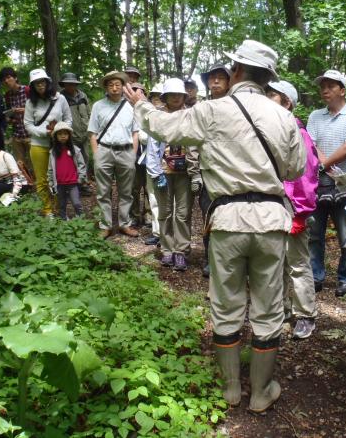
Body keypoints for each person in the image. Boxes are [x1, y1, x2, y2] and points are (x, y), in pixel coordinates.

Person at [123, 39, 306, 413]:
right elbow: (294, 170)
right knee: (269, 306)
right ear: (268, 78)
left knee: (226, 302)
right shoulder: (284, 116)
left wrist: (140, 104)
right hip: (271, 221)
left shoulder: (211, 111)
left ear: (235, 71)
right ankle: (261, 390)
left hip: (226, 220)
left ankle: (231, 389)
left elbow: (165, 128)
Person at [265, 80, 318, 340]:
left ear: (287, 102)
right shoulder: (271, 131)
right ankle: (282, 309)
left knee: (297, 263)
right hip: (273, 205)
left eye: (272, 95)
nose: (266, 99)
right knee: (277, 260)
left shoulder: (299, 134)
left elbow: (306, 177)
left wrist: (301, 212)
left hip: (293, 206)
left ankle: (305, 314)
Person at [306, 69, 346, 296]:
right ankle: (315, 276)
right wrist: (325, 167)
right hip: (318, 184)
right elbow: (310, 144)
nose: (325, 90)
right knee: (315, 234)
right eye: (323, 86)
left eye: (330, 86)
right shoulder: (315, 116)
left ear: (342, 90)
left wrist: (324, 164)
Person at [145, 78, 196, 271]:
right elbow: (151, 146)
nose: (176, 97)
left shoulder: (191, 115)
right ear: (165, 97)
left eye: (179, 94)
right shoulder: (157, 117)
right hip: (163, 171)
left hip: (185, 172)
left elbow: (196, 142)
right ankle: (167, 250)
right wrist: (155, 173)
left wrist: (196, 172)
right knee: (165, 212)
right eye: (172, 94)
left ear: (184, 96)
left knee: (183, 214)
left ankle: (181, 251)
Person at [88, 71, 139, 238]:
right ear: (106, 87)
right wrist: (96, 154)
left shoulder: (131, 106)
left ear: (123, 86)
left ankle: (125, 224)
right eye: (111, 85)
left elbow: (135, 132)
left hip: (126, 151)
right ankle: (106, 225)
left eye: (118, 84)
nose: (115, 88)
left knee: (126, 191)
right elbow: (93, 133)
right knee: (103, 191)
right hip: (104, 150)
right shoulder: (98, 106)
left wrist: (133, 153)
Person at [195, 63, 232, 277]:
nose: (216, 81)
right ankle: (210, 259)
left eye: (221, 77)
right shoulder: (201, 108)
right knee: (208, 216)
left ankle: (229, 263)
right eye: (212, 78)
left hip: (232, 174)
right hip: (208, 173)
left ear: (229, 82)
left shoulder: (236, 106)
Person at [23, 68, 72, 217]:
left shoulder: (60, 99)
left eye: (42, 82)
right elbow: (28, 124)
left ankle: (60, 208)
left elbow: (68, 119)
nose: (40, 85)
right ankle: (47, 209)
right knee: (42, 179)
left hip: (58, 145)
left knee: (60, 177)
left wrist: (60, 131)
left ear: (48, 82)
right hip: (39, 145)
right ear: (32, 86)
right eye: (37, 83)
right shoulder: (30, 103)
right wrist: (44, 132)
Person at [59, 72, 92, 195]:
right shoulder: (61, 98)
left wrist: (90, 127)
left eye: (73, 84)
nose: (71, 86)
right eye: (68, 84)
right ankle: (72, 185)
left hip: (85, 133)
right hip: (70, 135)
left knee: (85, 159)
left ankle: (83, 183)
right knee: (71, 159)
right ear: (64, 85)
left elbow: (89, 113)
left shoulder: (83, 95)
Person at [48, 121, 87, 220]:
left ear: (69, 135)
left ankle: (81, 219)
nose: (63, 136)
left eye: (65, 134)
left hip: (73, 182)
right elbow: (50, 169)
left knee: (76, 202)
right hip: (60, 183)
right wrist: (51, 182)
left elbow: (82, 164)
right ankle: (64, 219)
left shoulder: (75, 150)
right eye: (60, 134)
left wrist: (81, 178)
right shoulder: (53, 152)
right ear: (56, 136)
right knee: (62, 203)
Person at [0, 67, 32, 173]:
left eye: (9, 77)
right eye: (4, 79)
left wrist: (23, 110)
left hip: (30, 134)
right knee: (20, 164)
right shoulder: (8, 96)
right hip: (17, 134)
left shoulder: (27, 90)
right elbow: (10, 115)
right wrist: (9, 119)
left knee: (34, 162)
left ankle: (38, 187)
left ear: (15, 78)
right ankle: (25, 186)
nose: (6, 81)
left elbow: (37, 110)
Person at [143, 84, 163, 246]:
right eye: (154, 96)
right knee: (154, 199)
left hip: (170, 165)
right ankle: (157, 233)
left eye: (159, 96)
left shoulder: (173, 114)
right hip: (151, 162)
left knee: (172, 203)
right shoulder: (147, 115)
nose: (157, 99)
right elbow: (142, 136)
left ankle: (170, 236)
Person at [130, 82, 151, 227]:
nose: (138, 94)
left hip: (149, 156)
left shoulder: (150, 110)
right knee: (134, 187)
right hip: (132, 155)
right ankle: (135, 215)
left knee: (149, 188)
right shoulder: (125, 110)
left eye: (141, 91)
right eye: (134, 91)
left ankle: (148, 214)